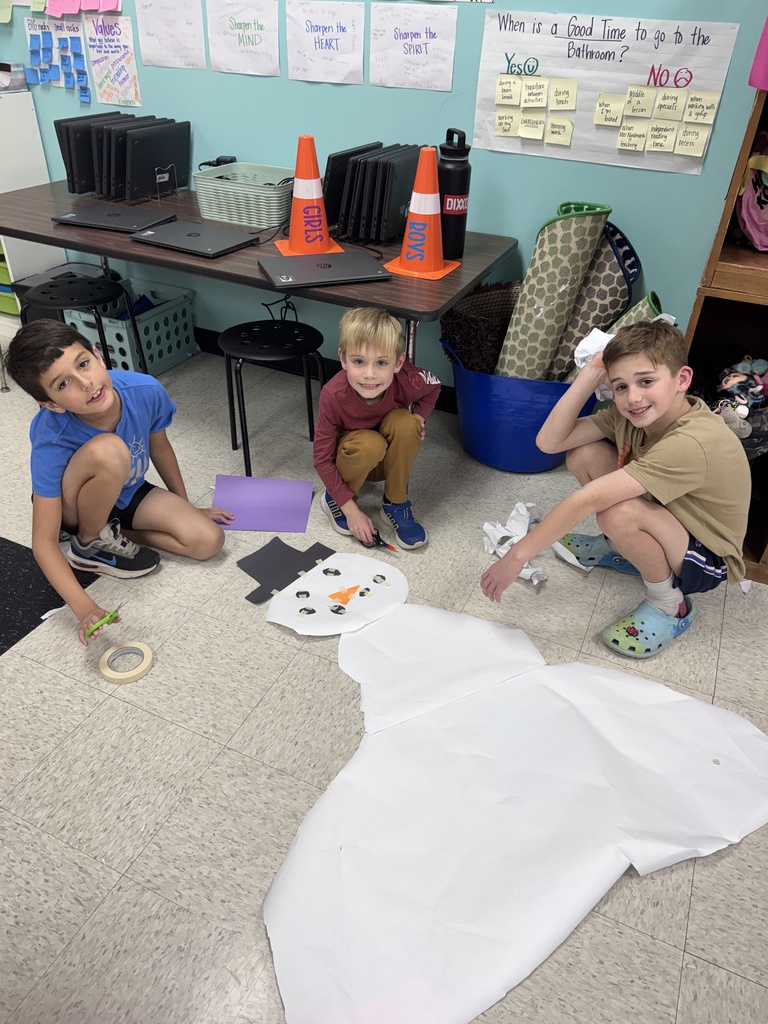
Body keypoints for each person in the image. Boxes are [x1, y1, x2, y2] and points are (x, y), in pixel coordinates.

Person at [481, 320, 751, 659]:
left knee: (616, 512)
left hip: (707, 557)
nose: (632, 398)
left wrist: (517, 555)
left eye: (646, 381)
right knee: (582, 453)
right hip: (670, 518)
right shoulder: (633, 415)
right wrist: (593, 371)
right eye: (620, 386)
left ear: (682, 379)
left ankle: (671, 605)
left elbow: (590, 498)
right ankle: (629, 548)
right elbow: (550, 441)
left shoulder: (692, 441)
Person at [5, 320, 233, 647]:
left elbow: (160, 447)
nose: (85, 383)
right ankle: (87, 542)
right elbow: (43, 544)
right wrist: (84, 607)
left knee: (208, 541)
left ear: (98, 355)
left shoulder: (145, 390)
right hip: (77, 506)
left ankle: (112, 532)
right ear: (51, 404)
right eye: (64, 383)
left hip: (126, 492)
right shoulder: (50, 435)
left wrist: (187, 506)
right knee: (110, 451)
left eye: (83, 363)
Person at [313, 306, 441, 550]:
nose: (369, 374)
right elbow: (321, 460)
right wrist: (350, 510)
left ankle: (395, 503)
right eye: (358, 361)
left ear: (398, 362)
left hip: (387, 462)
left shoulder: (408, 378)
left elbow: (434, 387)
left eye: (381, 362)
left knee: (406, 422)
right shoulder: (332, 394)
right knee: (370, 443)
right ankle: (336, 499)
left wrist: (420, 417)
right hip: (352, 460)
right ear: (342, 358)